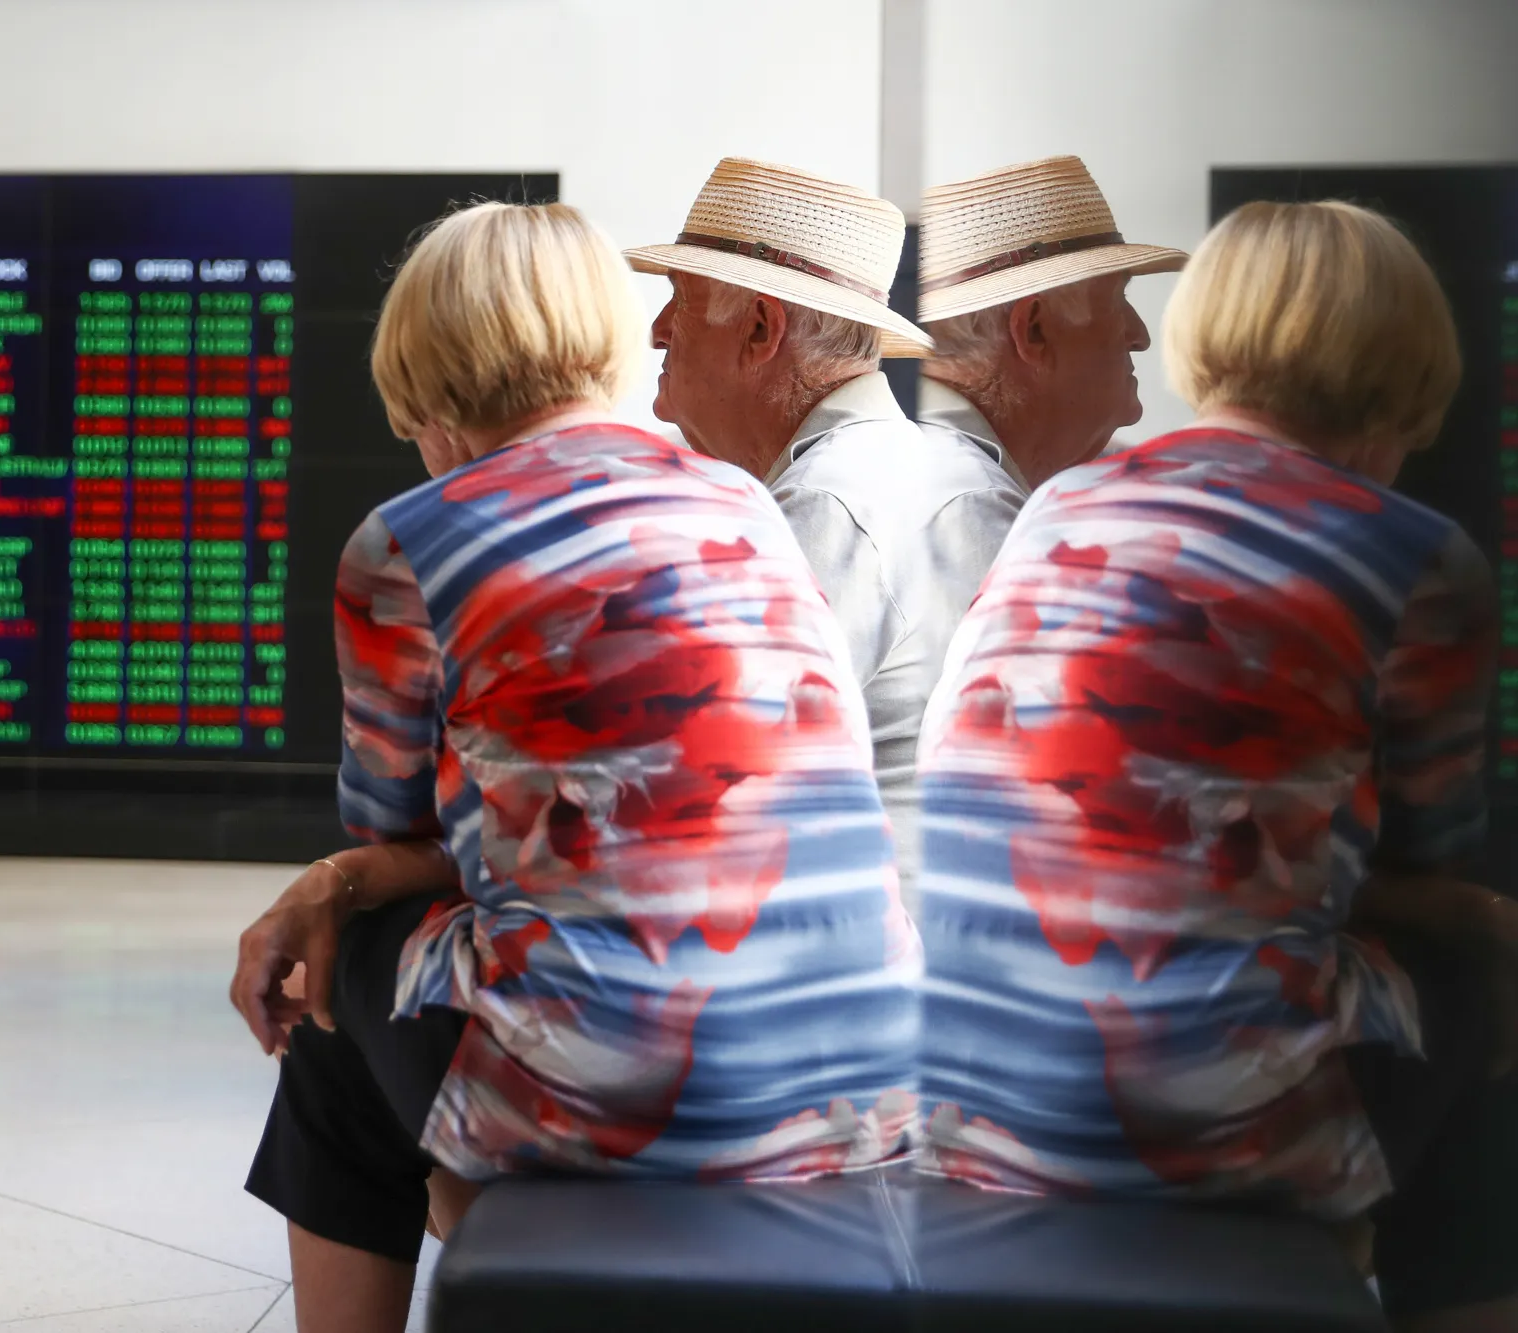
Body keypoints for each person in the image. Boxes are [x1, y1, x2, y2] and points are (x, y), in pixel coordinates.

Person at [232, 200, 919, 1333]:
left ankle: (479, 1246)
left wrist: (330, 887)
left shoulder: (405, 541)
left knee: (340, 984)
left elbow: (392, 826)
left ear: (426, 390)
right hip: (859, 1075)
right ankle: (501, 1233)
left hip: (624, 1097)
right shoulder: (743, 503)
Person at [915, 199, 1518, 1331]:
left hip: (972, 1110)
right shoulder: (1420, 560)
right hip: (1208, 1136)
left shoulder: (1058, 507)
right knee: (1481, 972)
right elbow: (1426, 864)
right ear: (1401, 385)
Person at [630, 156, 994, 908]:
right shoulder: (916, 470)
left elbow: (708, 779)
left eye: (680, 301)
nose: (656, 330)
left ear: (761, 328)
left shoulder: (829, 505)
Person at [915, 155, 1186, 491]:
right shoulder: (971, 503)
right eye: (1117, 301)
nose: (1140, 336)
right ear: (1034, 330)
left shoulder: (929, 464)